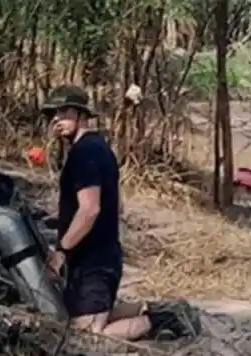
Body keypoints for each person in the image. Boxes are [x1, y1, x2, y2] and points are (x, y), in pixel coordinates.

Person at [41, 85, 172, 339]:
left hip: (94, 260)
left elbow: (90, 210)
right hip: (96, 256)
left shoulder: (85, 153)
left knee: (89, 335)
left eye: (64, 112)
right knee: (79, 322)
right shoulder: (97, 147)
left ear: (82, 115)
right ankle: (148, 310)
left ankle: (160, 320)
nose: (57, 119)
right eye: (52, 114)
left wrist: (61, 252)